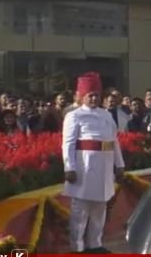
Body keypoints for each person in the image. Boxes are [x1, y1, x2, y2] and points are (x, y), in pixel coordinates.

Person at [62, 72, 124, 253]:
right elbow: (68, 143)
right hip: (84, 167)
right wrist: (69, 167)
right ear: (82, 96)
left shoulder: (106, 115)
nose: (94, 98)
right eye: (91, 95)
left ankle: (95, 245)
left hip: (104, 167)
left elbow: (114, 141)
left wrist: (119, 165)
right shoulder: (74, 116)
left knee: (99, 209)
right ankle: (77, 248)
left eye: (97, 94)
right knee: (80, 211)